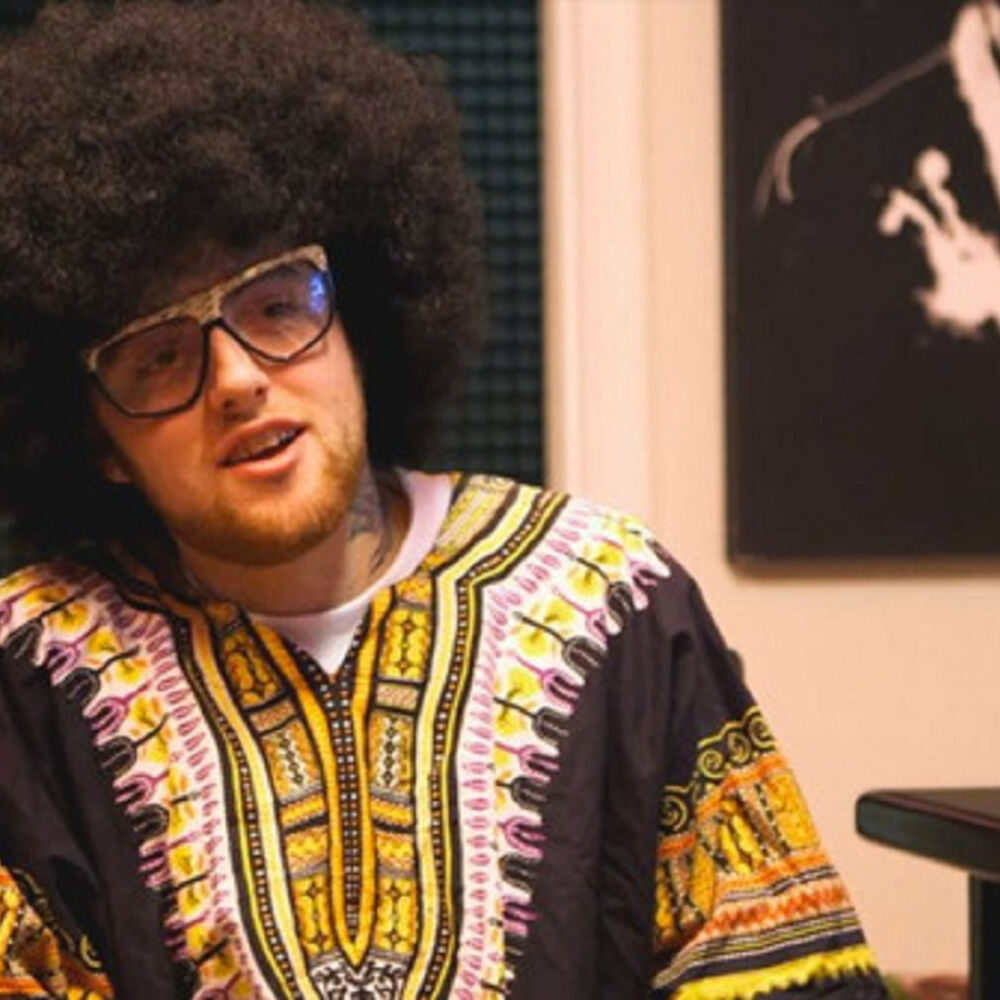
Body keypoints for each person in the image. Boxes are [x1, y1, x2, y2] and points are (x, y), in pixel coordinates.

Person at [0, 2, 887, 997]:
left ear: (361, 322)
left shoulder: (613, 603)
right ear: (98, 441)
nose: (239, 379)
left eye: (277, 304)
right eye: (160, 357)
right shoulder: (31, 673)